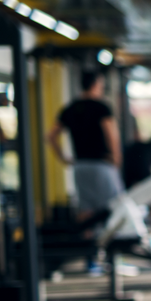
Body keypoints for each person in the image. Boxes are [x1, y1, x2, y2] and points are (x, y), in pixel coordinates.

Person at [47, 70, 124, 221]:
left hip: (80, 165)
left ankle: (86, 241)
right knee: (114, 206)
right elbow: (111, 135)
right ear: (96, 84)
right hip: (101, 164)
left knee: (86, 209)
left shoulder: (70, 108)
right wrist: (116, 158)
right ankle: (111, 243)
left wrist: (63, 158)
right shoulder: (101, 107)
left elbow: (51, 136)